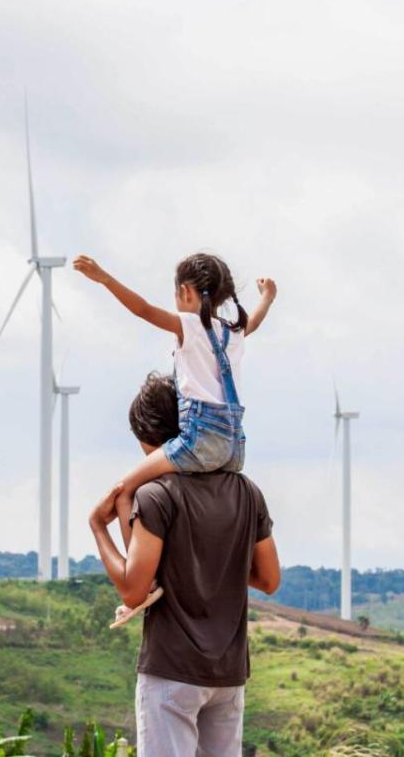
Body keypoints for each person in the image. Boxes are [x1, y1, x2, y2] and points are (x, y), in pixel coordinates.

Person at [74, 252, 277, 621]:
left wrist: (104, 277)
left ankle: (143, 581)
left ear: (185, 291)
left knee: (124, 491)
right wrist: (267, 296)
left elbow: (141, 309)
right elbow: (256, 321)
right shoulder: (233, 332)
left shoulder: (188, 327)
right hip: (233, 448)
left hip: (198, 441)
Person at [89, 373, 280, 756]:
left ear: (148, 436)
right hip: (228, 676)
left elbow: (133, 589)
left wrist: (98, 528)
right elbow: (269, 579)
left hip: (172, 672)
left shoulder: (155, 496)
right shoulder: (247, 492)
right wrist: (212, 560)